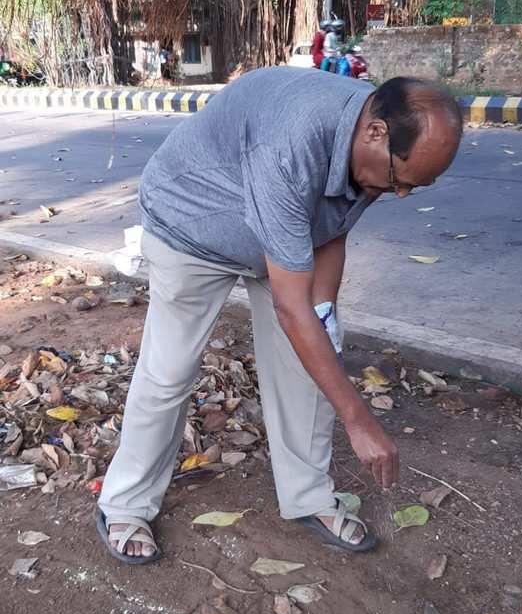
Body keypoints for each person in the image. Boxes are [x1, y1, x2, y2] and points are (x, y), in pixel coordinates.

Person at [95, 67, 462, 564]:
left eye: (413, 188)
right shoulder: (291, 144)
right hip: (192, 226)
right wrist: (357, 419)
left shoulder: (376, 137)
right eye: (400, 181)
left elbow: (333, 229)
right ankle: (126, 503)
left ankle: (308, 496)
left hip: (284, 239)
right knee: (170, 373)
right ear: (374, 132)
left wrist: (324, 318)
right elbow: (292, 307)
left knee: (311, 362)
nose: (399, 194)